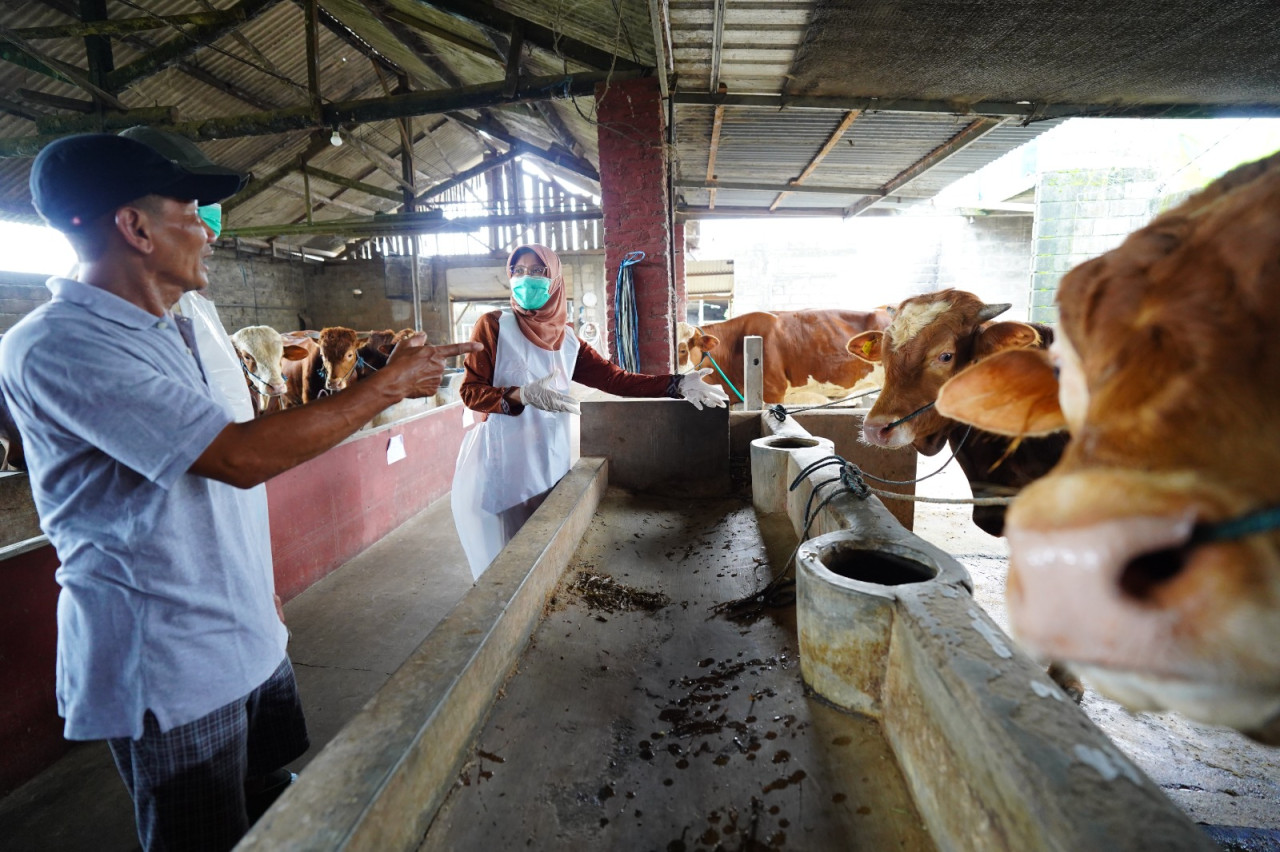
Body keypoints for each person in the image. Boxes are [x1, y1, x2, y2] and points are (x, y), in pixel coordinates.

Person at [0, 133, 480, 852]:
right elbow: (233, 456)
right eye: (192, 210)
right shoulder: (60, 344)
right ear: (134, 228)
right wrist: (386, 387)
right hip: (168, 662)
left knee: (271, 805)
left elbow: (245, 446)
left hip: (246, 628)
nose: (208, 231)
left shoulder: (188, 324)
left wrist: (258, 585)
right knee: (205, 835)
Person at [451, 243, 728, 578]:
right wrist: (519, 394)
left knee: (542, 556)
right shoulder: (494, 326)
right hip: (499, 463)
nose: (526, 279)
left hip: (549, 462)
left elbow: (616, 380)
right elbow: (470, 392)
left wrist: (676, 385)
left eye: (537, 271)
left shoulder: (568, 342)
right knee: (502, 563)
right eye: (518, 271)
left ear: (553, 278)